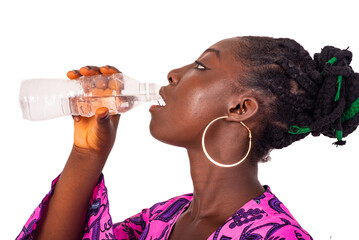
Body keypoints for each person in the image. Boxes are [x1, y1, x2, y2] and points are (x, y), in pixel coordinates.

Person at [17, 36, 359, 240]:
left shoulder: (276, 236)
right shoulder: (165, 219)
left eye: (201, 66)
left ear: (240, 107)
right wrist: (86, 154)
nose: (174, 73)